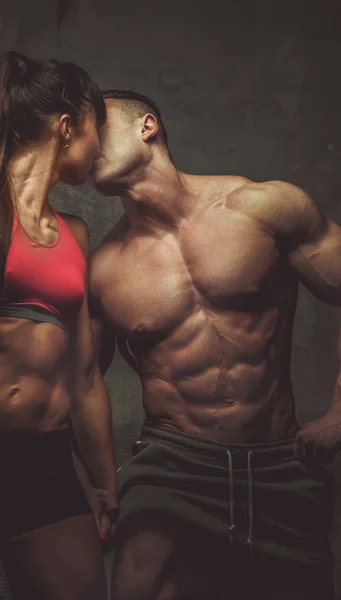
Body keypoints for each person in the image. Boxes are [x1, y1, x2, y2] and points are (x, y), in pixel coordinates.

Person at [89, 89, 341, 600]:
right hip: (172, 461)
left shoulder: (261, 208)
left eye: (97, 127)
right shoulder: (105, 269)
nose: (84, 142)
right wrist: (93, 481)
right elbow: (78, 384)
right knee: (139, 580)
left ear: (147, 126)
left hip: (279, 462)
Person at [0, 51, 116, 600]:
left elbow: (86, 374)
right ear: (67, 127)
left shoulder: (75, 234)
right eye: (99, 129)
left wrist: (100, 478)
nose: (103, 149)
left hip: (45, 461)